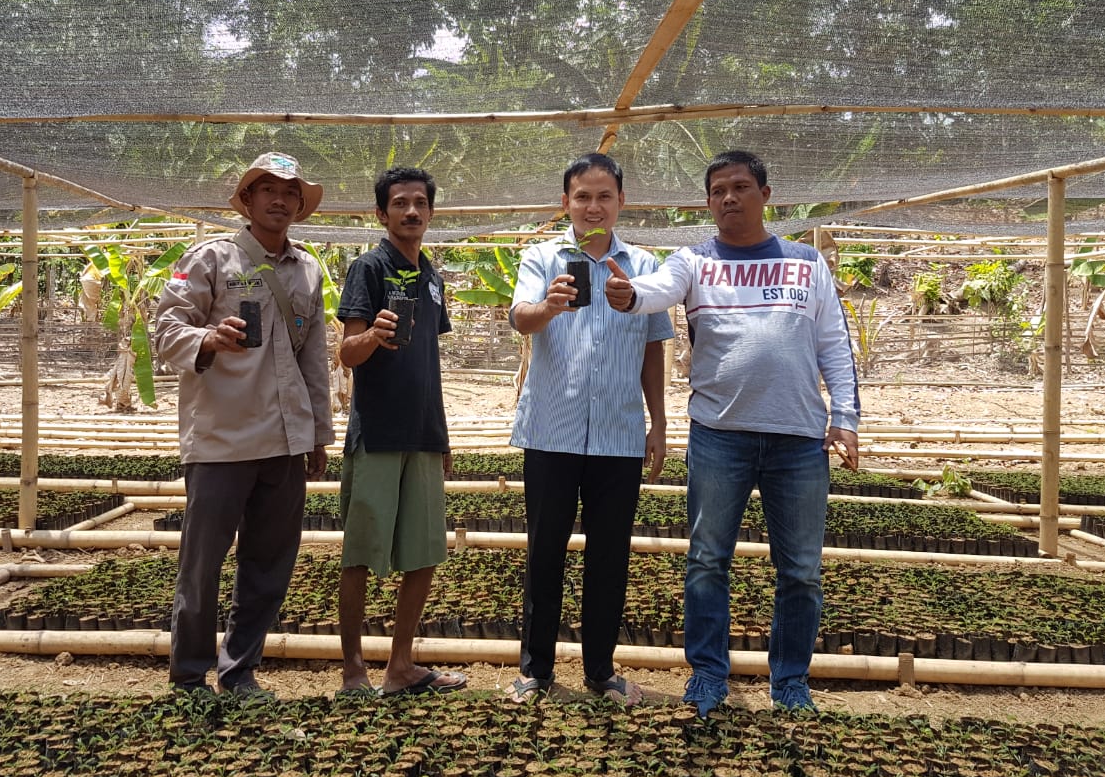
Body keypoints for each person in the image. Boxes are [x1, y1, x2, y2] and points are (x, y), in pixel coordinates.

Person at [605, 149, 859, 716]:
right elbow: (655, 290)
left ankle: (790, 680)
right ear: (708, 200)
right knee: (707, 559)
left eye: (740, 187)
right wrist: (628, 297)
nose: (728, 198)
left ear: (765, 195)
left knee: (799, 568)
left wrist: (845, 418)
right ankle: (708, 674)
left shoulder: (805, 265)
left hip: (798, 440)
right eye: (718, 190)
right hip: (719, 435)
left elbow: (834, 348)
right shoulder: (694, 261)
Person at [154, 151, 334, 700]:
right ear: (249, 200)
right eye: (268, 190)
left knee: (269, 561)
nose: (280, 200)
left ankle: (240, 671)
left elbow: (314, 356)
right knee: (202, 564)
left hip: (284, 443)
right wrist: (206, 339)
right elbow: (164, 330)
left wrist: (318, 435)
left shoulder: (306, 268)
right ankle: (189, 675)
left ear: (299, 205)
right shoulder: (210, 259)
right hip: (222, 440)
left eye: (290, 193)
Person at [507, 153, 673, 706]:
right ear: (566, 204)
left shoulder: (646, 265)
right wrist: (549, 306)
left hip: (618, 433)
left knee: (610, 553)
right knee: (544, 551)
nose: (593, 207)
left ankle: (600, 669)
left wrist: (659, 421)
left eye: (604, 196)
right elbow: (520, 319)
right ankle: (535, 670)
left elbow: (653, 347)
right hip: (551, 431)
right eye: (582, 197)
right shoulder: (540, 257)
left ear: (621, 202)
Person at [336, 166, 467, 697]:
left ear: (431, 212)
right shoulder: (369, 268)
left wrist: (443, 435)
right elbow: (346, 352)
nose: (411, 211)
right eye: (399, 203)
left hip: (423, 433)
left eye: (419, 203)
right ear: (381, 213)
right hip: (379, 434)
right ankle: (352, 671)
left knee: (424, 551)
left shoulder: (431, 275)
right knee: (361, 553)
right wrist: (373, 334)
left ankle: (400, 666)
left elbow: (428, 361)